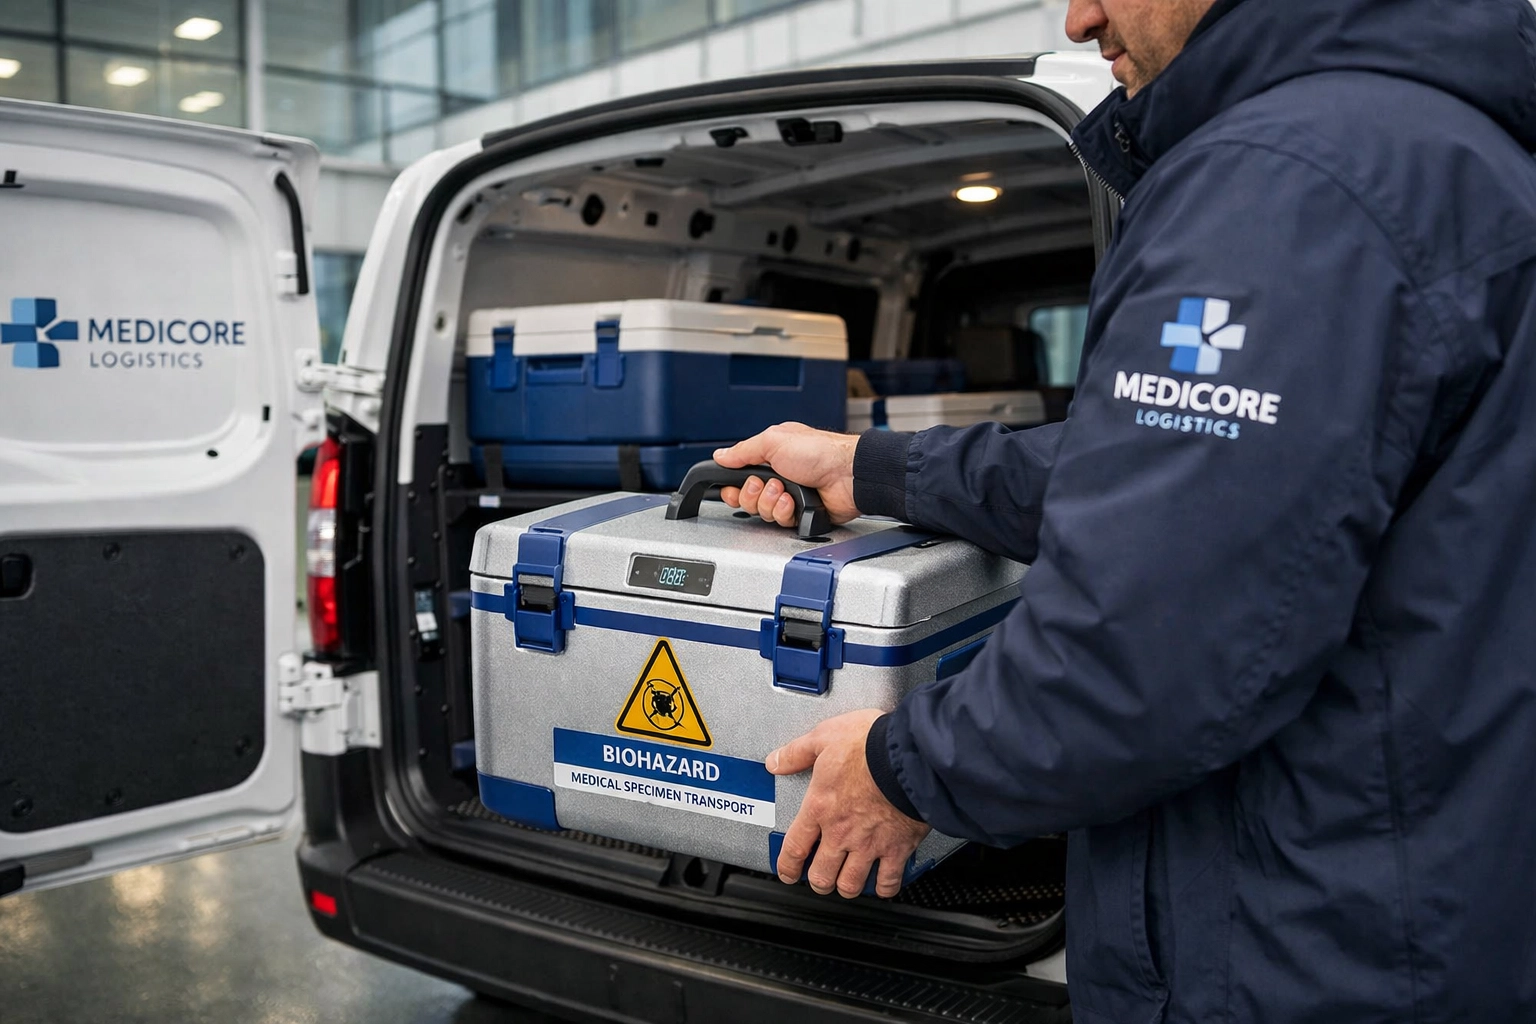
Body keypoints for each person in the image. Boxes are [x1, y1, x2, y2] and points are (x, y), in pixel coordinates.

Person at [713, 0, 1536, 1021]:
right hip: (1417, 894)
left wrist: (901, 770)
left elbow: (1151, 641)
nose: (1078, 17)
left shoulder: (1291, 180)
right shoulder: (1415, 147)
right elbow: (1180, 478)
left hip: (1303, 949)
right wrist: (872, 468)